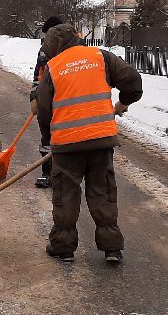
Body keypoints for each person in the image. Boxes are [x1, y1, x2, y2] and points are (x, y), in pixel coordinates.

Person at [35, 23, 142, 263]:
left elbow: (43, 109)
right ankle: (112, 247)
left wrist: (48, 139)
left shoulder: (53, 67)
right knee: (102, 191)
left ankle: (63, 247)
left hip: (67, 145)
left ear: (55, 47)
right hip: (100, 140)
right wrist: (124, 101)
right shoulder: (101, 57)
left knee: (66, 194)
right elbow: (132, 81)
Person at [30, 15, 75, 188]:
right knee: (47, 134)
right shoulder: (44, 50)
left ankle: (66, 173)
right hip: (49, 98)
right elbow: (39, 76)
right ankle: (47, 172)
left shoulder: (75, 49)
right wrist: (34, 97)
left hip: (70, 98)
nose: (46, 39)